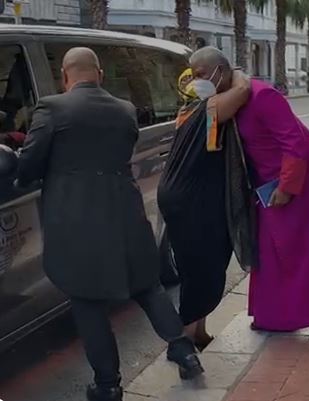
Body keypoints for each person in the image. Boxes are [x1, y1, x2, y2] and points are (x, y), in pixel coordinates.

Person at [16, 48, 202, 401]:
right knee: (146, 283)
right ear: (99, 74)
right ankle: (184, 350)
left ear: (65, 76)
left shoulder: (52, 109)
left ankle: (108, 385)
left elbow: (29, 166)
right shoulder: (125, 110)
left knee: (86, 299)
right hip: (125, 210)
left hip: (77, 218)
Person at [190, 47, 309, 331]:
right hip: (268, 178)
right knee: (272, 248)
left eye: (200, 75)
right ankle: (276, 313)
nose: (195, 81)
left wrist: (287, 186)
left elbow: (293, 141)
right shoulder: (230, 96)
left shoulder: (262, 96)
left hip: (300, 173)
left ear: (219, 72)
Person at [157, 64, 256, 349]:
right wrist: (234, 71)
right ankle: (184, 338)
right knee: (203, 267)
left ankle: (197, 331)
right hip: (191, 200)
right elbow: (243, 89)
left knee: (194, 266)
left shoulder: (189, 109)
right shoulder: (206, 109)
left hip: (182, 197)